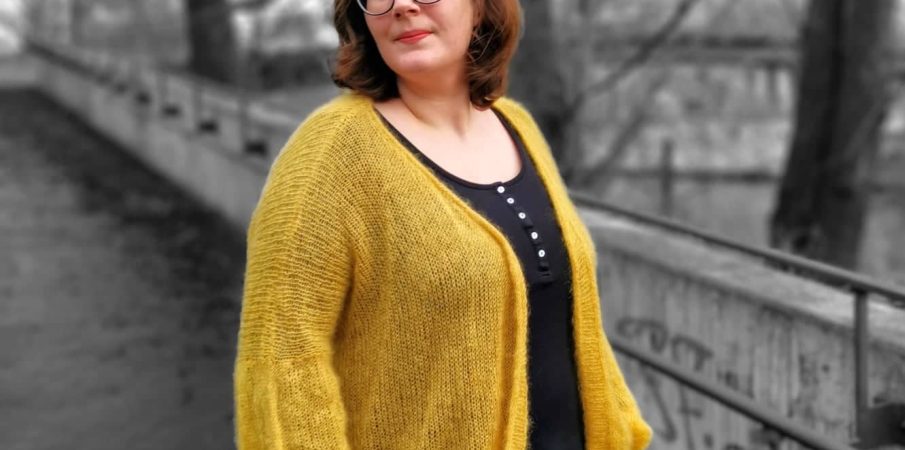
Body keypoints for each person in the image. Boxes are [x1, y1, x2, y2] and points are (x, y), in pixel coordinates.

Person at [232, 0, 653, 447]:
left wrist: (622, 429)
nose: (402, 6)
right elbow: (281, 355)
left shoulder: (517, 126)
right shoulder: (330, 154)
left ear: (480, 9)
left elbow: (571, 326)